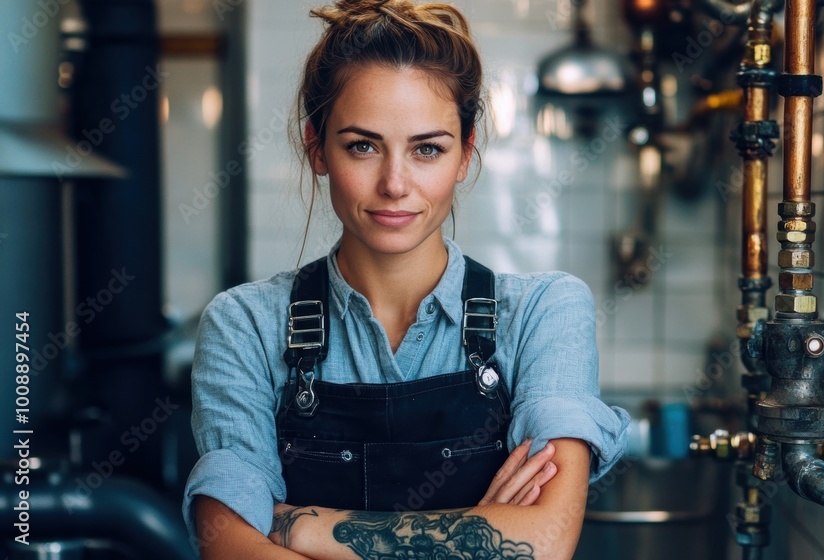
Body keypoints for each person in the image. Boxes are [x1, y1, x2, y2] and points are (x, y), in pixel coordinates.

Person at [182, 1, 630, 558]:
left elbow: (544, 542)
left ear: (466, 154)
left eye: (427, 149)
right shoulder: (244, 324)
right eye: (362, 145)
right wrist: (480, 529)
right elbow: (223, 543)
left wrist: (296, 525)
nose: (395, 183)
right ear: (316, 147)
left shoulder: (545, 310)